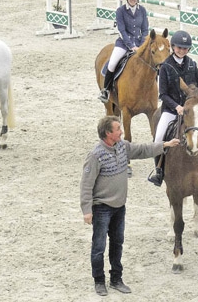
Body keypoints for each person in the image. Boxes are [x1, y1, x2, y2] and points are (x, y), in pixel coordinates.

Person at [80, 116, 179, 296]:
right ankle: (99, 281)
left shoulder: (122, 146)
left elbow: (141, 149)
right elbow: (86, 184)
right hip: (102, 208)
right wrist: (87, 211)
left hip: (119, 206)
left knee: (117, 243)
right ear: (108, 133)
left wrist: (164, 145)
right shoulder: (95, 155)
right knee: (99, 246)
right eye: (118, 129)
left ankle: (116, 279)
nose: (122, 131)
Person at [147, 30, 198, 187]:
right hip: (171, 109)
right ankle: (159, 171)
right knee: (158, 138)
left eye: (185, 48)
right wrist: (177, 107)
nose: (182, 51)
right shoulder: (165, 67)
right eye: (179, 48)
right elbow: (163, 94)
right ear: (173, 47)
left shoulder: (191, 64)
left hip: (193, 109)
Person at [98, 0, 149, 103]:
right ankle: (106, 91)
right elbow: (121, 31)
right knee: (112, 64)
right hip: (123, 44)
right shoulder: (120, 11)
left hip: (140, 44)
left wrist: (141, 46)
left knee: (153, 62)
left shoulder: (142, 10)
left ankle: (155, 90)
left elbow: (145, 30)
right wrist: (131, 46)